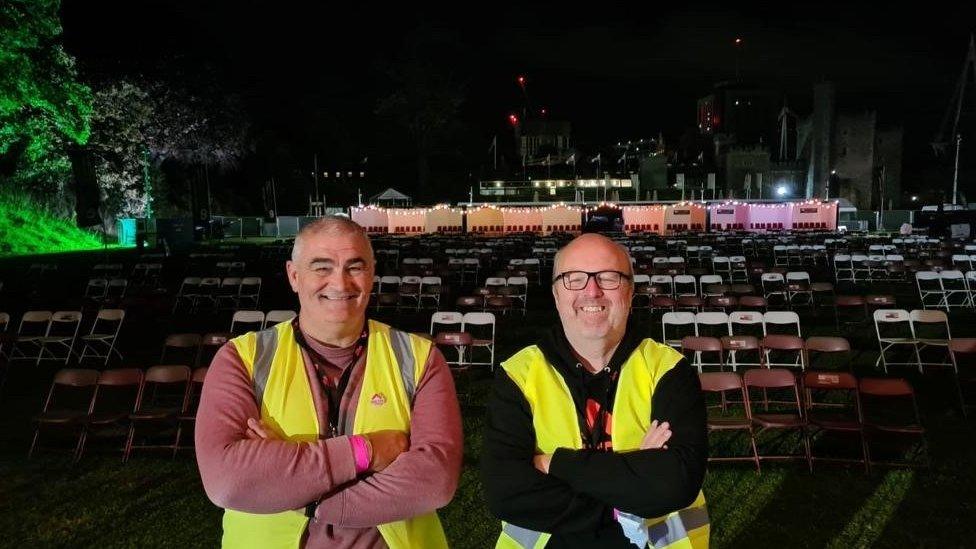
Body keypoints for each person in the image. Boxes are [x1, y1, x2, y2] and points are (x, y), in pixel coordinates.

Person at [196, 216, 462, 548]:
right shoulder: (242, 359)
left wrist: (299, 491)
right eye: (322, 268)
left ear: (372, 273)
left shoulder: (419, 358)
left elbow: (434, 482)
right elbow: (228, 481)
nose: (339, 283)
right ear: (294, 276)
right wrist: (368, 451)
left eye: (355, 267)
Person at [482, 233, 709, 548]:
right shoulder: (518, 374)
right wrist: (631, 484)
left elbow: (675, 484)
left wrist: (552, 464)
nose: (592, 291)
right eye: (573, 279)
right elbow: (505, 491)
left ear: (630, 292)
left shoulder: (668, 369)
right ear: (556, 294)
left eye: (609, 278)